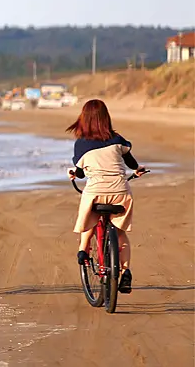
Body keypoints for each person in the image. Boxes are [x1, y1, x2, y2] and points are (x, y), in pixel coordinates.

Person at [66, 99, 147, 293]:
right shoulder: (118, 140)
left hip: (96, 192)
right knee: (120, 232)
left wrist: (73, 174)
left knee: (90, 219)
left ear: (84, 119)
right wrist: (137, 170)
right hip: (120, 192)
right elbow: (130, 162)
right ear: (106, 118)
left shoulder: (81, 144)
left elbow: (81, 174)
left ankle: (83, 250)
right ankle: (126, 271)